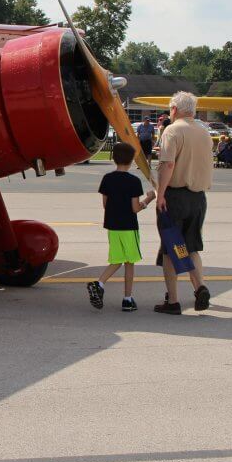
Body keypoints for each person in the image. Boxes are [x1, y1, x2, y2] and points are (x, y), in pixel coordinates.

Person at [155, 91, 213, 314]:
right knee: (192, 246)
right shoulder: (204, 132)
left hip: (175, 196)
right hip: (198, 197)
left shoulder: (172, 130)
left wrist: (160, 195)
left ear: (174, 109)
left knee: (171, 248)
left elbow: (168, 165)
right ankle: (200, 287)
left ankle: (173, 300)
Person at [87, 142, 155, 311]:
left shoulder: (107, 179)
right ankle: (127, 299)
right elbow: (135, 208)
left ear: (114, 158)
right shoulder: (133, 181)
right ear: (132, 160)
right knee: (129, 262)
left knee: (116, 259)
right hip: (128, 226)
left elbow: (105, 204)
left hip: (112, 226)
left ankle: (100, 283)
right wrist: (148, 199)